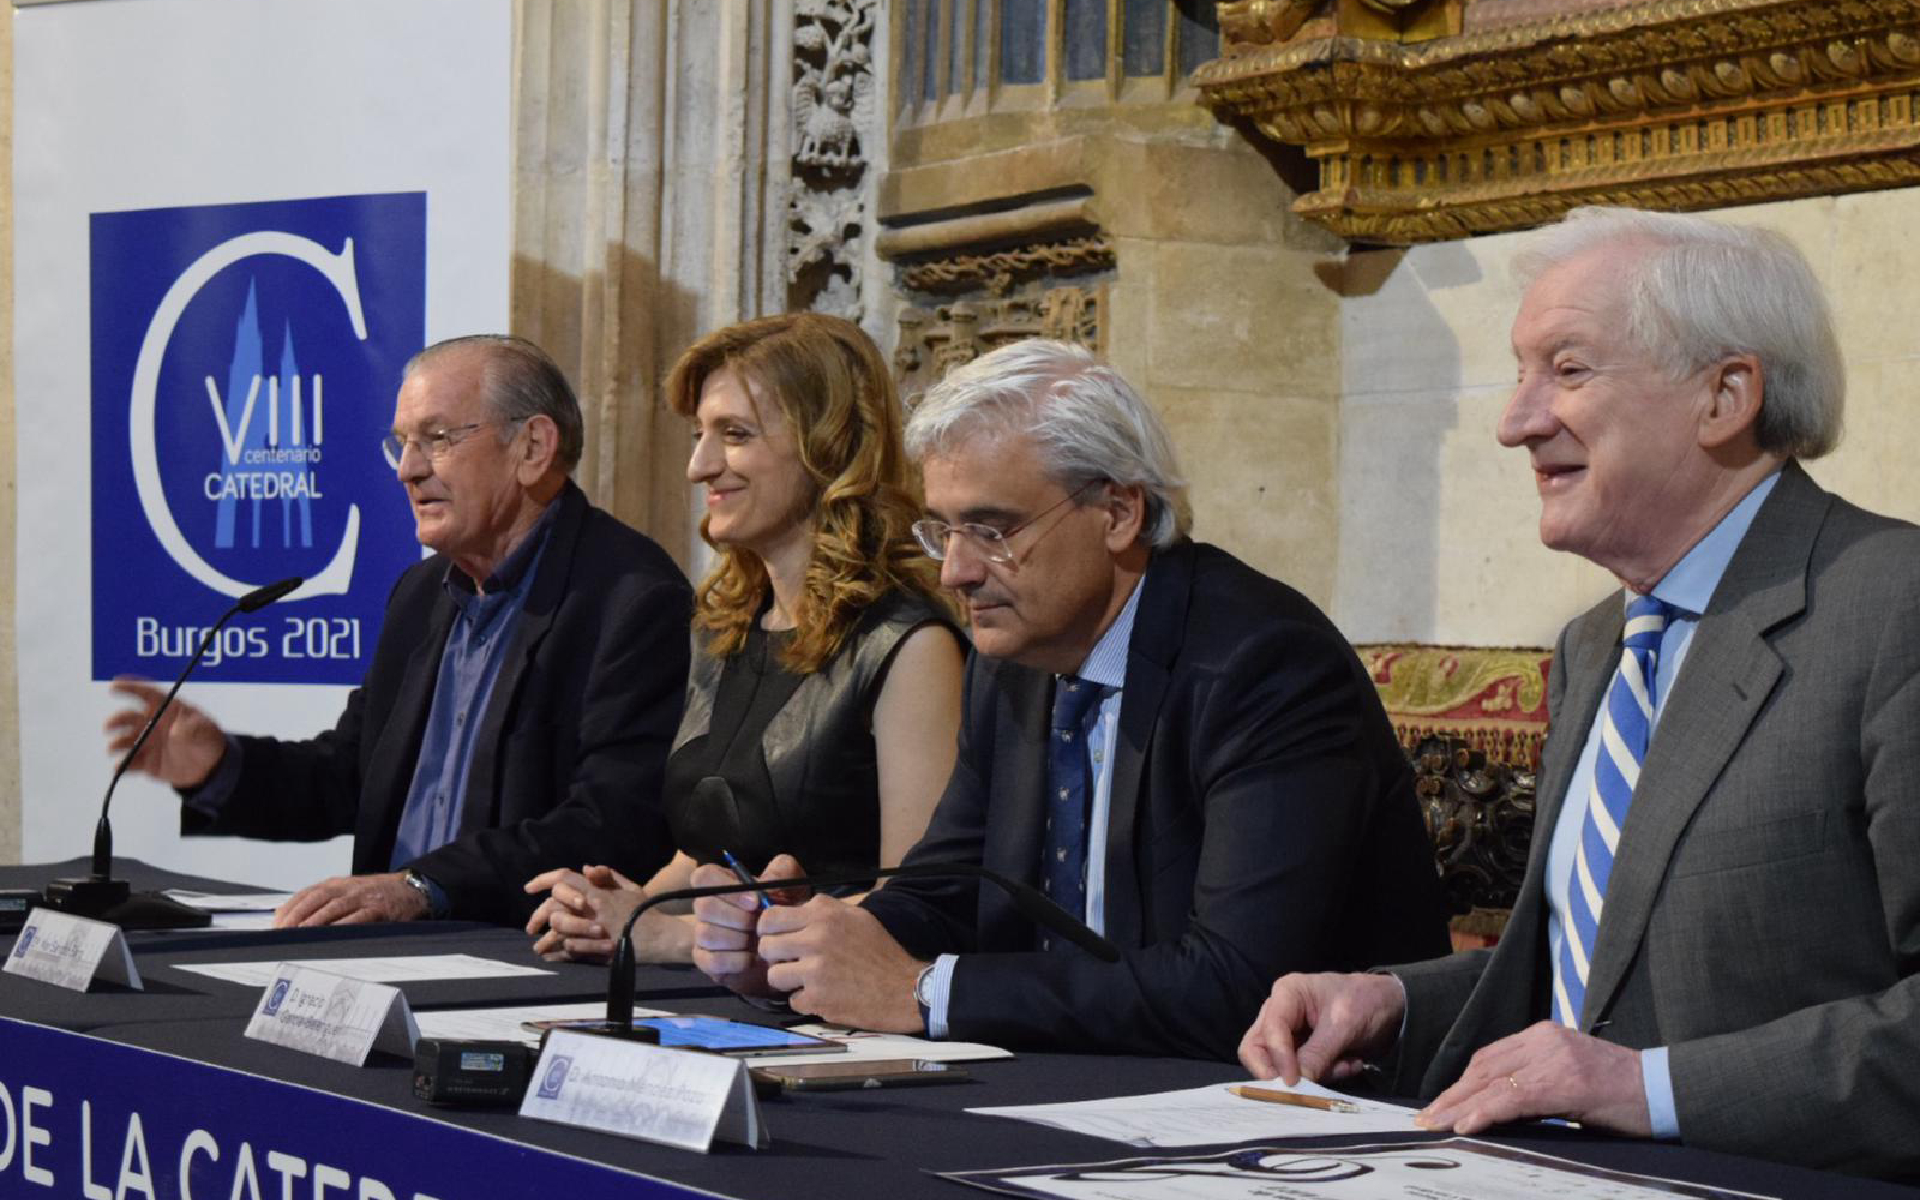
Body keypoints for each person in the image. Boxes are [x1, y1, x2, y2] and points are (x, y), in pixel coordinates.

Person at [1238, 207, 1920, 1178]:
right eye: (1522, 374)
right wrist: (1390, 1004)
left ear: (1725, 396)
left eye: (1568, 370)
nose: (1516, 422)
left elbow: (1625, 1060)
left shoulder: (1893, 607)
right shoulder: (1598, 644)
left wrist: (1648, 1091)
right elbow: (1602, 988)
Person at [688, 338, 1449, 1060]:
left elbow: (1237, 984)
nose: (955, 572)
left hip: (1295, 1104)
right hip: (1087, 1075)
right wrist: (808, 951)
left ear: (1118, 512)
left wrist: (923, 992)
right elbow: (946, 888)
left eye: (991, 529)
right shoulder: (1014, 655)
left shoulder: (1261, 663)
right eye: (944, 530)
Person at [103, 335, 693, 927]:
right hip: (388, 956)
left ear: (534, 447)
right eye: (402, 444)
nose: (408, 470)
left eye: (436, 439)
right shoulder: (419, 595)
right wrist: (221, 767)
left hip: (525, 958)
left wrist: (426, 886)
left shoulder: (629, 596)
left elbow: (610, 821)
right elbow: (349, 777)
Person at [523, 312, 965, 963]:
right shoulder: (723, 626)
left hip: (843, 1024)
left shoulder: (910, 645)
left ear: (830, 445)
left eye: (734, 435)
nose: (699, 467)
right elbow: (701, 857)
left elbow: (916, 903)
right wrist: (620, 908)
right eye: (699, 435)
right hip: (714, 1004)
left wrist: (671, 939)